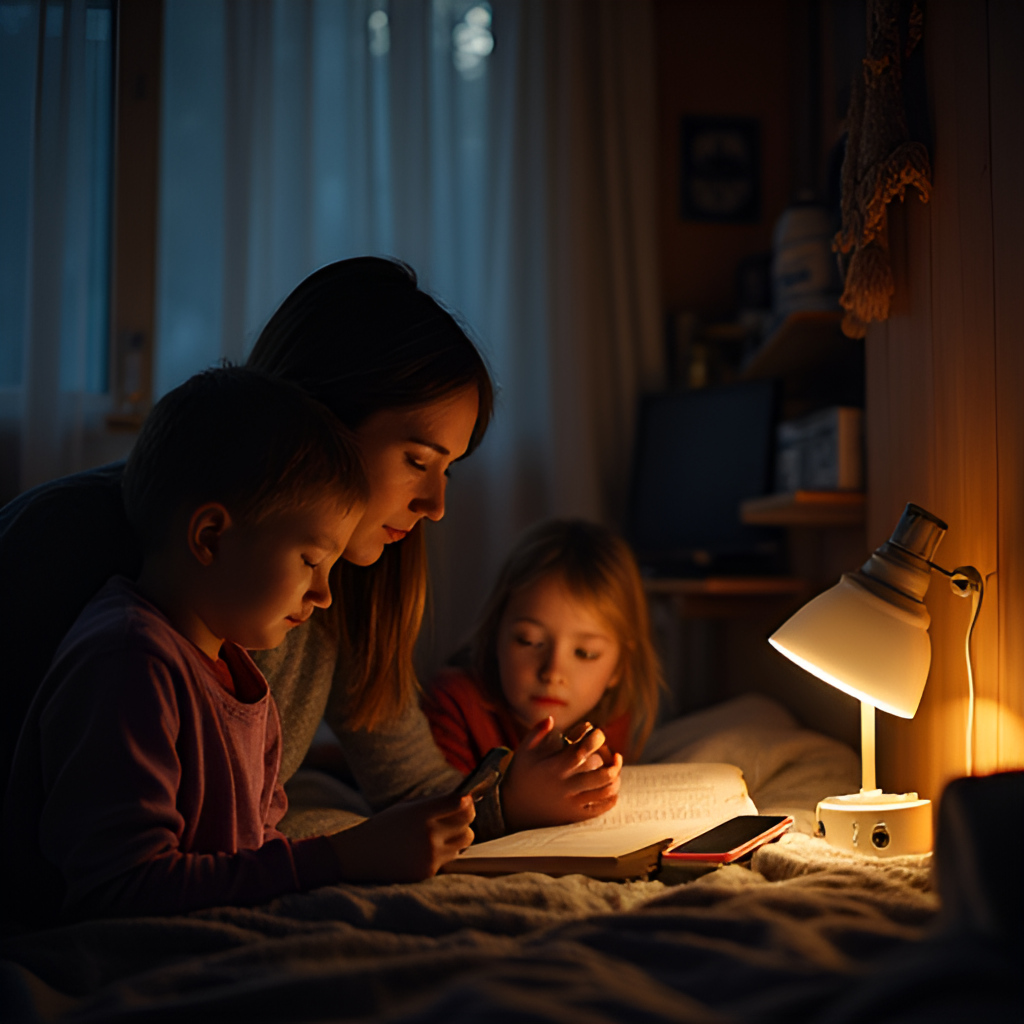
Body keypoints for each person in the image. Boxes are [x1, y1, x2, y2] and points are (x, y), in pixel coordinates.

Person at [0, 257, 618, 874]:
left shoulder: (342, 581)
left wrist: (510, 800)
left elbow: (405, 789)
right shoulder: (71, 544)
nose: (435, 506)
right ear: (320, 420)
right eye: (416, 460)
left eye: (447, 469)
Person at [2, 367, 476, 923]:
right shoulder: (128, 663)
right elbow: (123, 887)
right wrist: (341, 857)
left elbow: (253, 851)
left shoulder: (240, 676)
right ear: (210, 537)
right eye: (309, 562)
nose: (324, 595)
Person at [423, 520, 664, 829]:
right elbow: (435, 815)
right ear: (497, 635)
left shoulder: (611, 720)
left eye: (585, 653)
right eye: (529, 641)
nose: (553, 672)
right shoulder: (455, 704)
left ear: (619, 667)